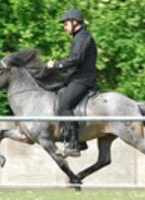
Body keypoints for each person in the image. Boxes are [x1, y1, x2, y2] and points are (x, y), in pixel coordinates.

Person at [47, 9, 97, 157]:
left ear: (75, 23)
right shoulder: (79, 38)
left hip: (83, 80)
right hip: (77, 78)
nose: (64, 27)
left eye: (66, 23)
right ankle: (79, 138)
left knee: (64, 105)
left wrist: (56, 65)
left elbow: (76, 59)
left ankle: (74, 144)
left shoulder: (83, 38)